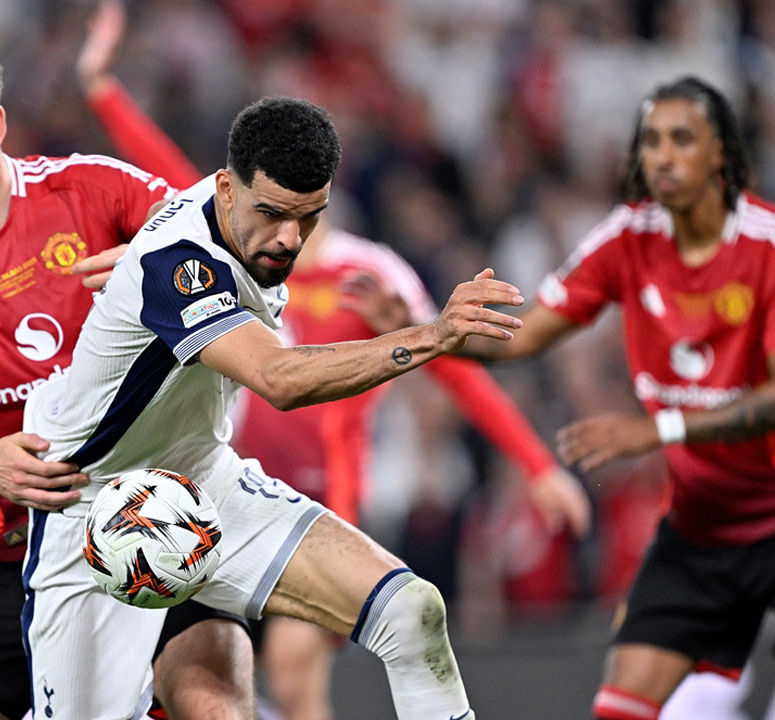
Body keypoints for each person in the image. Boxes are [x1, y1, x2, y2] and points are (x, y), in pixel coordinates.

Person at [73, 6, 590, 718]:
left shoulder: (370, 274)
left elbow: (451, 366)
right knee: (198, 688)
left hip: (321, 498)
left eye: (304, 215)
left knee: (293, 674)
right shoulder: (224, 255)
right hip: (210, 500)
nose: (287, 233)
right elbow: (168, 172)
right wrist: (102, 89)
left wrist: (536, 465)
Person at [0, 26, 254, 720]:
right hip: (6, 553)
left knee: (213, 702)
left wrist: (161, 264)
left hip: (152, 515)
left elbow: (222, 242)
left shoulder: (91, 189)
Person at [460, 76, 775, 720]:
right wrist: (423, 330)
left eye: (681, 139)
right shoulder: (628, 236)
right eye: (651, 141)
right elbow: (524, 335)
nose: (662, 156)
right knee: (620, 708)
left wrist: (658, 430)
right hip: (704, 527)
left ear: (721, 153)